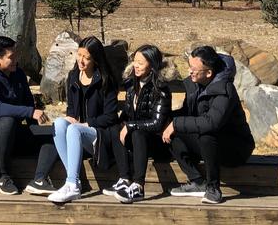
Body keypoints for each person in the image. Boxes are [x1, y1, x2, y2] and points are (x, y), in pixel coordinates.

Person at [24, 36, 120, 204]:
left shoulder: (106, 80)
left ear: (96, 60)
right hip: (77, 133)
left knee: (74, 129)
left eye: (87, 57)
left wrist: (86, 124)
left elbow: (110, 116)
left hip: (100, 135)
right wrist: (69, 118)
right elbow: (72, 112)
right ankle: (73, 181)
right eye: (79, 55)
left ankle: (72, 185)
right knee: (60, 124)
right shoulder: (73, 77)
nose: (81, 61)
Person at [162, 45, 255, 205]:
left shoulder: (225, 90)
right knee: (170, 131)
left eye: (194, 69)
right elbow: (186, 113)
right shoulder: (195, 85)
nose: (190, 71)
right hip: (211, 146)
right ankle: (198, 181)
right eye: (189, 67)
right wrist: (166, 120)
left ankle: (213, 189)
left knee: (206, 135)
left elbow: (212, 122)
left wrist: (176, 123)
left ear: (209, 73)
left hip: (235, 149)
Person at [0, 35, 51, 195]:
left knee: (54, 133)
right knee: (6, 121)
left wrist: (34, 124)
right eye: (11, 57)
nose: (16, 60)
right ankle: (3, 177)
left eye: (16, 55)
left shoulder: (18, 75)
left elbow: (28, 104)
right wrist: (30, 112)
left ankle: (39, 179)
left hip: (17, 135)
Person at [107, 44, 172, 204]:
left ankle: (138, 186)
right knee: (117, 127)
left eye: (141, 63)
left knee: (137, 132)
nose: (136, 65)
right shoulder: (131, 84)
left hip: (156, 140)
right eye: (134, 61)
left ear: (152, 65)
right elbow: (128, 114)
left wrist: (130, 126)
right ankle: (124, 179)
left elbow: (157, 124)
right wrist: (122, 124)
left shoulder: (161, 88)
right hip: (135, 140)